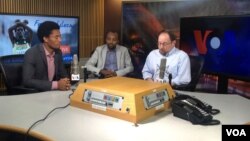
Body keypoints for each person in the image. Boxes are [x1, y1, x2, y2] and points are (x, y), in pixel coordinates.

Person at [23, 21, 71, 91]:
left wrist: (66, 82)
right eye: (56, 37)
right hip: (35, 95)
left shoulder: (58, 52)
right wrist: (56, 85)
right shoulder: (31, 53)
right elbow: (27, 81)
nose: (60, 40)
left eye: (60, 36)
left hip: (52, 95)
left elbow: (63, 75)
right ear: (45, 38)